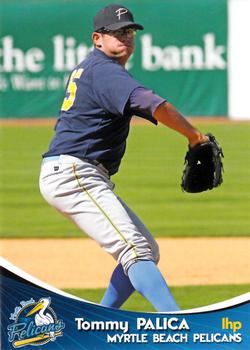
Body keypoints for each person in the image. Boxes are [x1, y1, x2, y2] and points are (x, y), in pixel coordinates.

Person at [39, 4, 208, 312]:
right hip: (74, 173)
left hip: (75, 171)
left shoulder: (95, 68)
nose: (126, 37)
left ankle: (101, 319)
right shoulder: (104, 70)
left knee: (146, 250)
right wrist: (194, 136)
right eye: (117, 32)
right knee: (135, 250)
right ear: (97, 39)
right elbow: (149, 103)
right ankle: (178, 324)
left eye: (130, 31)